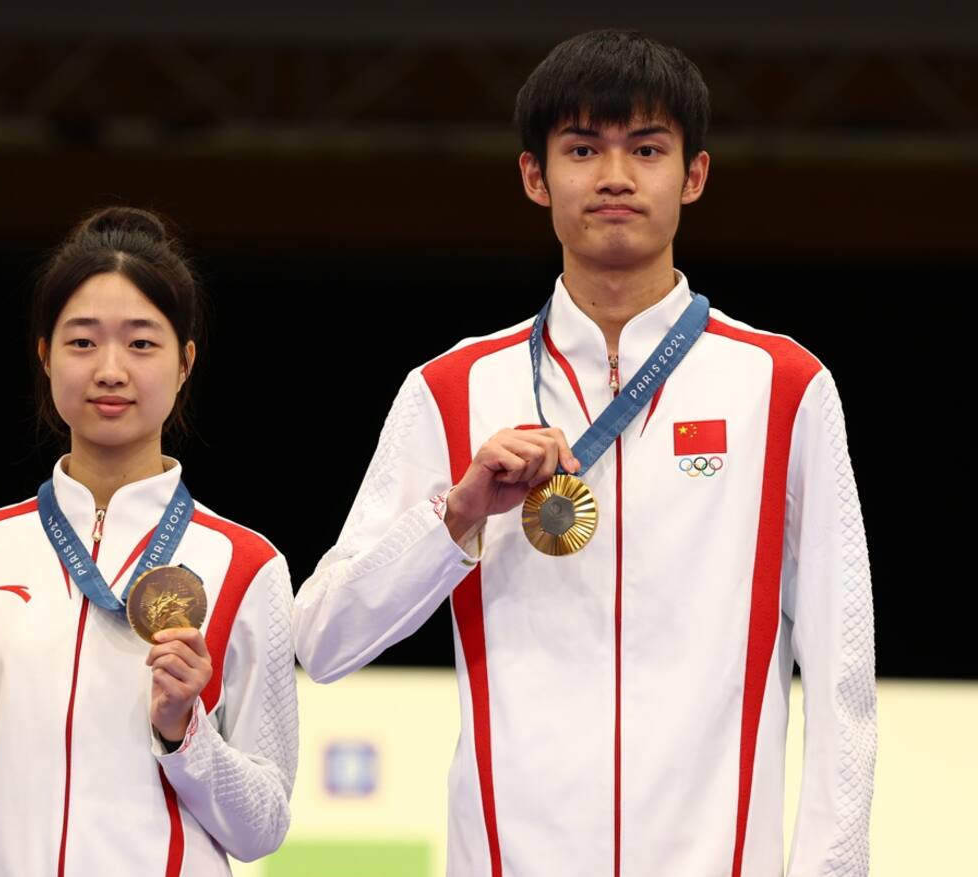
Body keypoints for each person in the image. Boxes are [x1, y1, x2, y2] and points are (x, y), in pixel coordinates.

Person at [293, 29, 875, 877]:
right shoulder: (453, 390)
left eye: (646, 148)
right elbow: (322, 639)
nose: (613, 175)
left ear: (694, 175)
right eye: (581, 148)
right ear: (536, 176)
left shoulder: (782, 387)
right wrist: (454, 518)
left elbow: (842, 674)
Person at [0, 207, 298, 876]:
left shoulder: (245, 564)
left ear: (185, 363)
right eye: (83, 342)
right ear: (44, 355)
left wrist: (186, 731)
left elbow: (263, 826)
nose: (111, 369)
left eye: (142, 344)